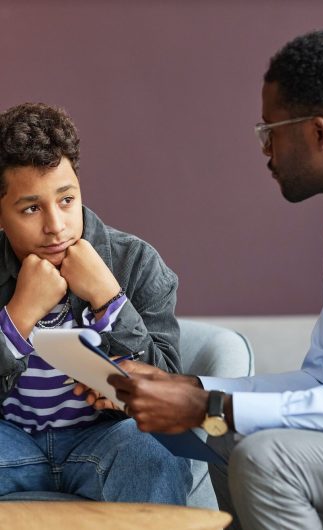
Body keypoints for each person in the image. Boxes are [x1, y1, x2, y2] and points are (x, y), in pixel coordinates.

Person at [107, 27, 323, 529]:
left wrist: (208, 404)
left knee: (266, 457)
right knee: (217, 433)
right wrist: (191, 386)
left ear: (318, 133)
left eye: (270, 131)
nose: (265, 150)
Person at [0, 102, 191, 503]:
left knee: (157, 451)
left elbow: (170, 388)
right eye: (31, 208)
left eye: (66, 200)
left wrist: (109, 298)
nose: (56, 226)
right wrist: (17, 317)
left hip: (106, 437)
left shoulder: (135, 262)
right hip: (10, 439)